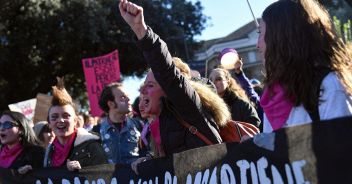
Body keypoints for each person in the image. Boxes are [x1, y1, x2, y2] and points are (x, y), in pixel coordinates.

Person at [119, 0, 232, 174]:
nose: (141, 91)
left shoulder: (187, 106)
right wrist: (150, 161)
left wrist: (140, 29)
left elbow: (166, 72)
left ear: (167, 89)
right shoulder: (158, 124)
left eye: (149, 85)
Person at [257, 0, 352, 133]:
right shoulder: (273, 95)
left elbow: (342, 149)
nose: (258, 44)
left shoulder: (330, 86)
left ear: (282, 36)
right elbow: (273, 150)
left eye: (260, 33)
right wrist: (255, 146)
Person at [44, 78, 107, 170]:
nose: (61, 120)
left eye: (66, 116)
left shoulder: (92, 146)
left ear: (75, 122)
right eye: (54, 117)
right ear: (49, 123)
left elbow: (104, 176)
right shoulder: (49, 151)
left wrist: (82, 171)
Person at [95, 82, 144, 165]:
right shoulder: (96, 131)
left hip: (138, 177)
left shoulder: (139, 125)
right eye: (123, 97)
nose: (128, 99)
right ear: (111, 104)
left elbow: (150, 152)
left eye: (127, 96)